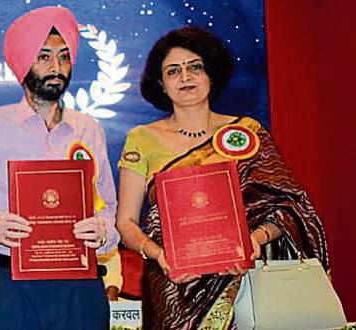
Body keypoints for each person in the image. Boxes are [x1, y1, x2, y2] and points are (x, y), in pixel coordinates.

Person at [116, 27, 329, 330]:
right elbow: (125, 222)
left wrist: (254, 241)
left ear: (211, 75)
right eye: (173, 71)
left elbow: (287, 206)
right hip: (173, 285)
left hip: (242, 280)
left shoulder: (246, 133)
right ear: (161, 84)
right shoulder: (142, 138)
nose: (185, 77)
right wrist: (159, 255)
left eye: (195, 67)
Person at [0, 6, 119, 330]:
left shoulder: (89, 128)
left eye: (64, 57)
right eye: (44, 57)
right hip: (12, 282)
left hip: (81, 284)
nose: (56, 67)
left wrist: (103, 231)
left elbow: (108, 208)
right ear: (23, 63)